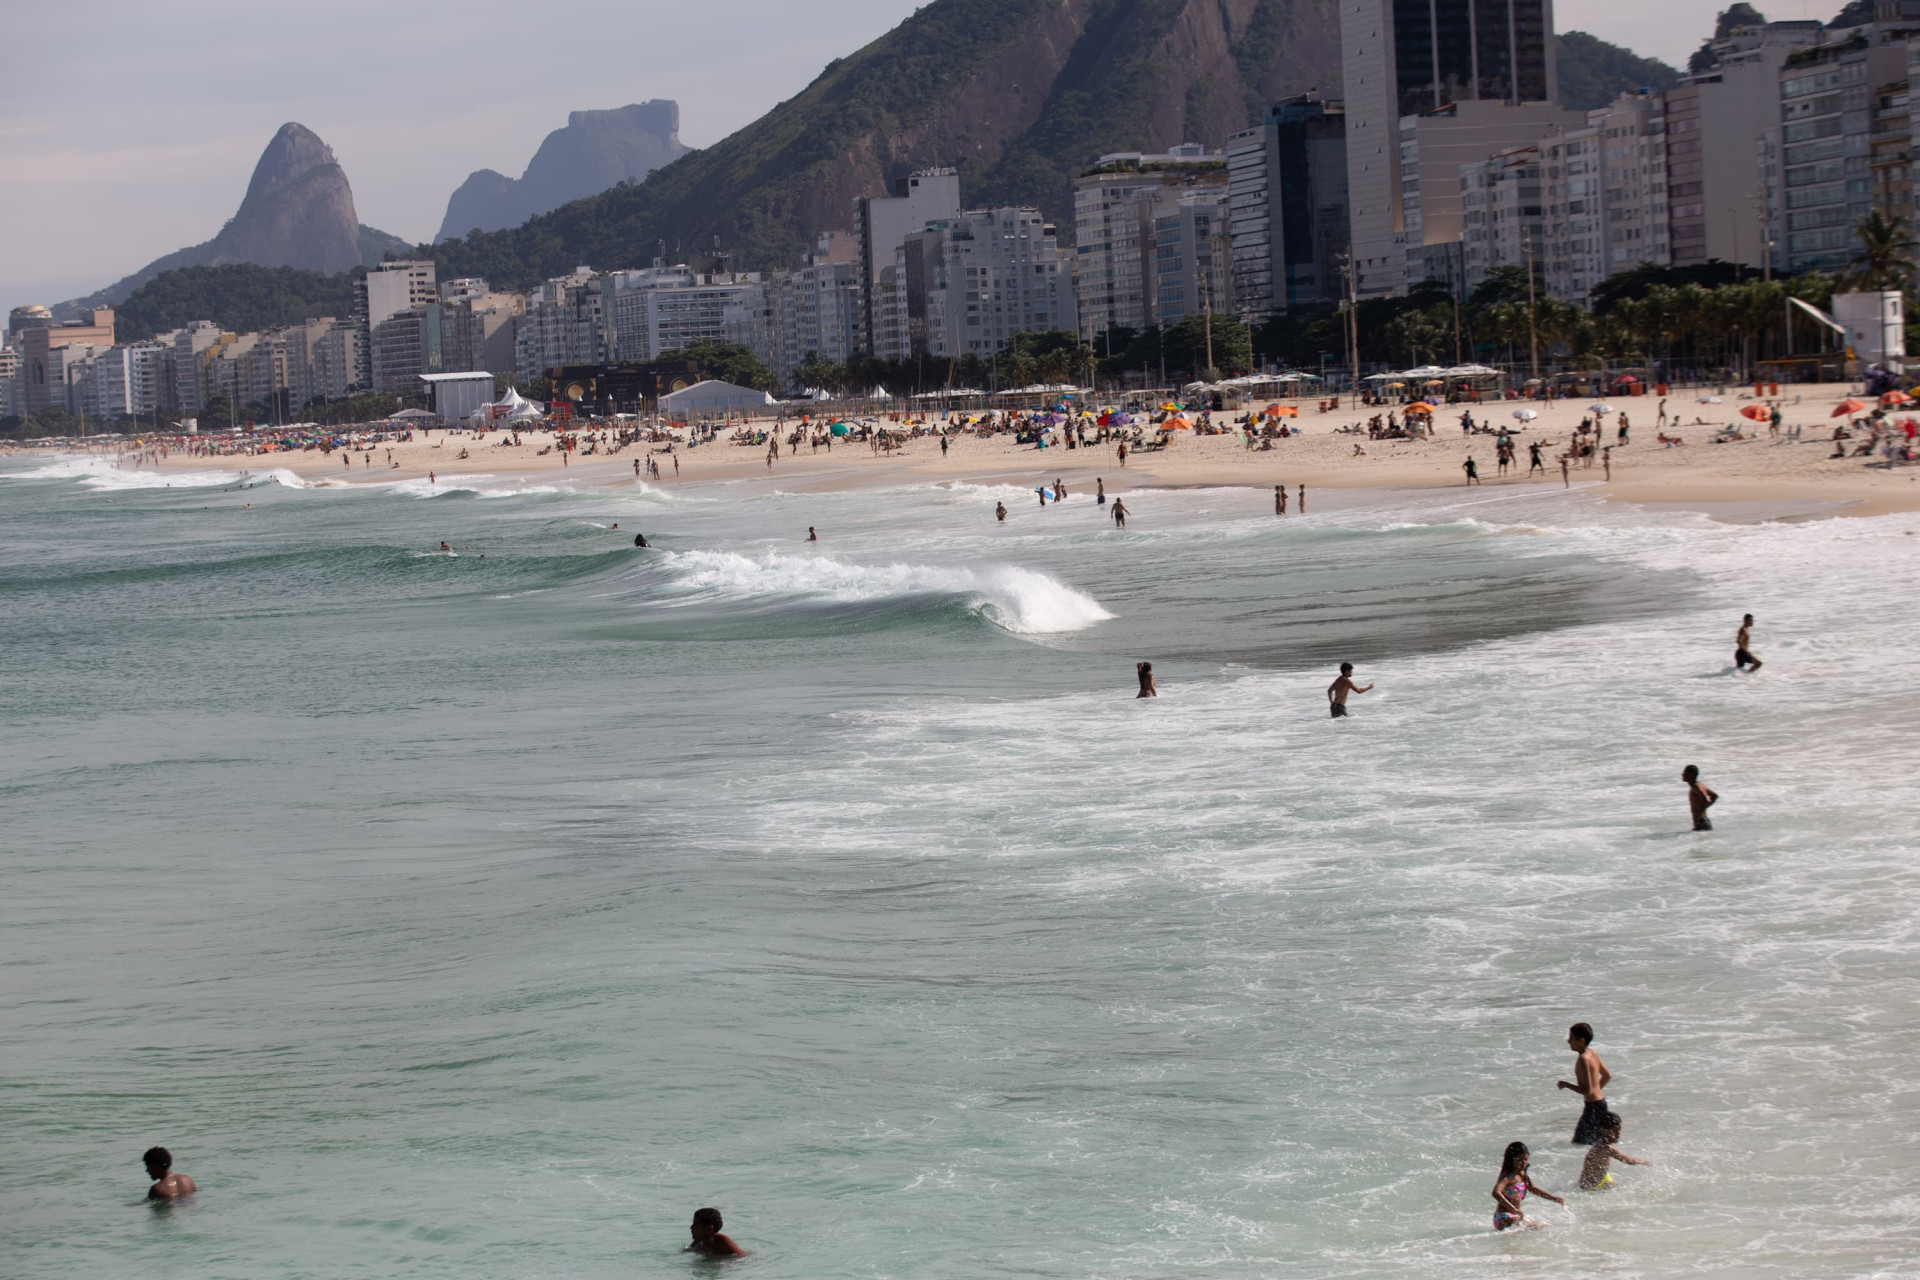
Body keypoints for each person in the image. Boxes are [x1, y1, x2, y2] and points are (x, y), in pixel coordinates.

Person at [1558, 1022, 1613, 1144]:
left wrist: (1566, 1084)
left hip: (1592, 1108)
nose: (1568, 1041)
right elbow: (1607, 1075)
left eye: (1571, 1038)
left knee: (1578, 1143)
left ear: (1581, 1041)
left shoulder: (1583, 1059)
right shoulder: (1592, 1053)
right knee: (1597, 1143)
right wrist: (1596, 1091)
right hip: (1601, 1104)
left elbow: (1587, 1091)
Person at [1491, 1141, 1562, 1230]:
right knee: (1533, 1227)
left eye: (1525, 1160)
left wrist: (1553, 1198)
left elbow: (1532, 1189)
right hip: (1503, 1218)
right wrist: (1513, 1209)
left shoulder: (1522, 1174)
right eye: (1520, 1160)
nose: (1523, 1163)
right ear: (1511, 1159)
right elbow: (1495, 1192)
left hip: (1514, 1216)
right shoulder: (1508, 1177)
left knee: (1542, 1226)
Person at [1578, 1112, 1650, 1190]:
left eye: (1619, 1130)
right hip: (1590, 1186)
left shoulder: (1601, 1143)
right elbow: (1629, 1161)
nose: (1618, 1134)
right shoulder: (1605, 1147)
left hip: (1603, 1177)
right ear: (1604, 1131)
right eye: (1614, 1131)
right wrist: (1645, 1162)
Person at [1684, 764, 1718, 831]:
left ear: (1691, 774)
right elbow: (1714, 796)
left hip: (1701, 823)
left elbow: (1705, 800)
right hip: (1703, 822)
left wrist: (1699, 813)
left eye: (1685, 772)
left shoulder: (1696, 787)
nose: (1682, 774)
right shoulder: (1699, 785)